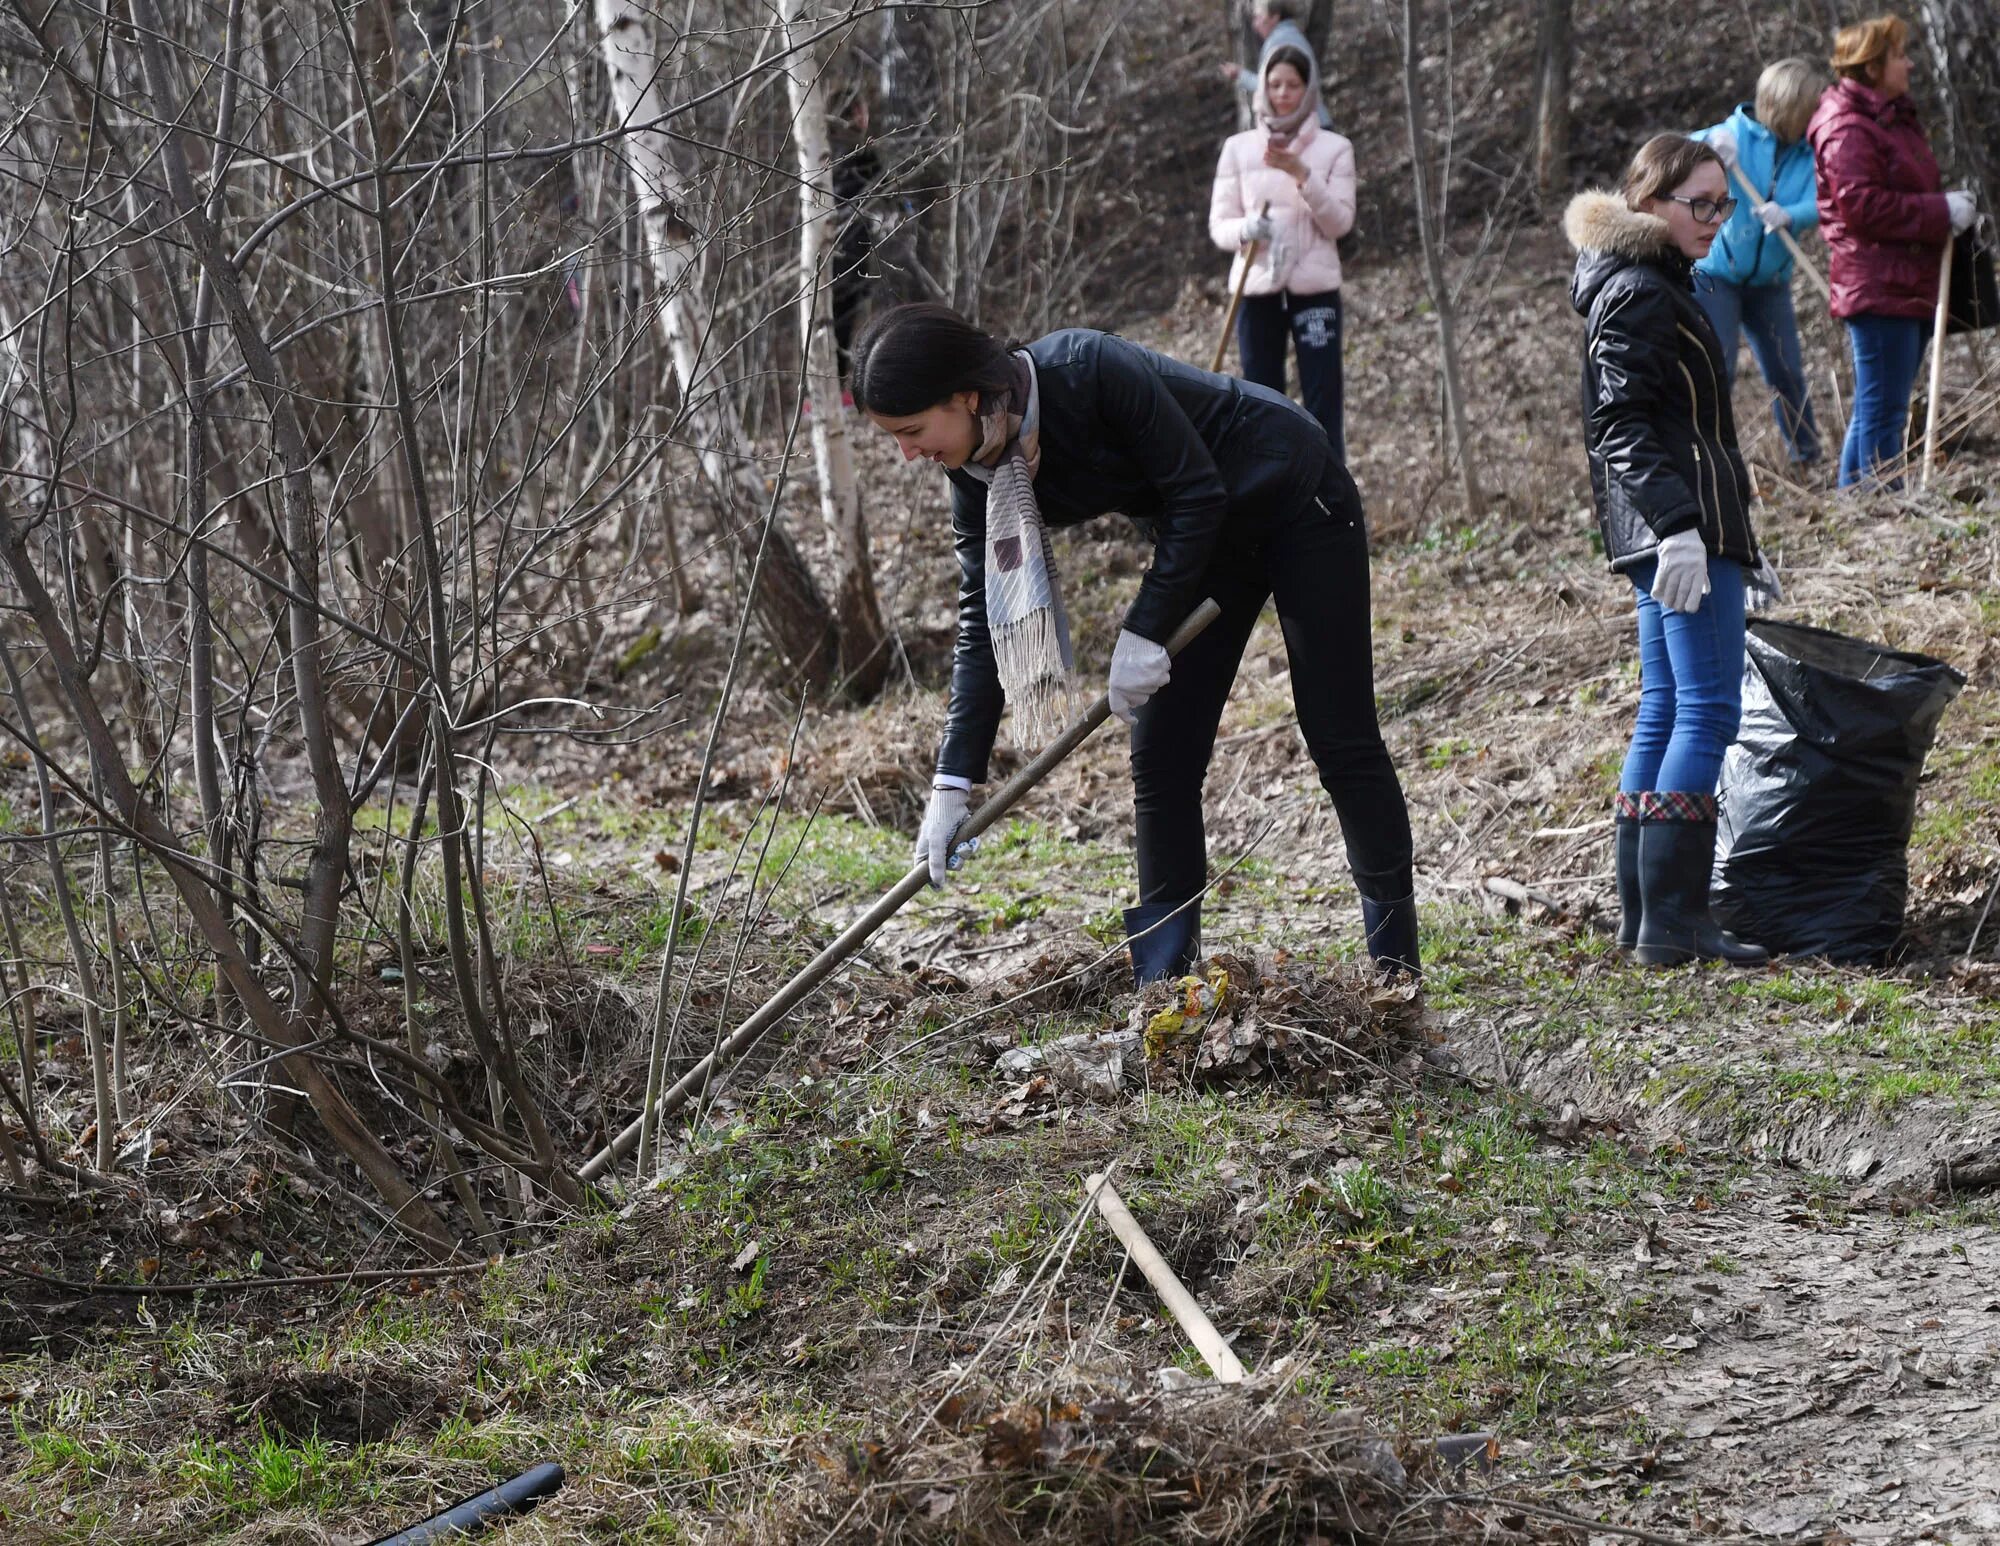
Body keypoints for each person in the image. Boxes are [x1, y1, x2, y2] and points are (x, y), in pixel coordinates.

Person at [848, 303, 1419, 982]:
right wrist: (953, 779)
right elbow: (984, 617)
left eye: (910, 431)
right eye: (893, 438)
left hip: (1296, 493)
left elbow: (1195, 492)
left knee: (1338, 734)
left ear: (966, 396)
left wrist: (1144, 630)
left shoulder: (1086, 369)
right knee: (1162, 753)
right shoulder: (976, 473)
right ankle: (1168, 992)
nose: (907, 454)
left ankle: (1396, 974)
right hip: (1207, 541)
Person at [1566, 135, 1777, 968]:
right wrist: (1682, 528)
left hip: (1676, 529)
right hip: (1677, 534)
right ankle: (1675, 920)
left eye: (1722, 203)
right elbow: (1618, 425)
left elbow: (1682, 426)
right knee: (1706, 710)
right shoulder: (1640, 292)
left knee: (1664, 706)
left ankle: (1644, 915)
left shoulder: (1645, 283)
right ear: (1649, 202)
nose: (1715, 220)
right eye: (1700, 203)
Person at [1807, 13, 1977, 489]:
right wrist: (1939, 212)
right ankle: (1880, 503)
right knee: (1884, 409)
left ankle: (1860, 500)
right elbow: (1861, 205)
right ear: (1873, 66)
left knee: (1879, 404)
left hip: (1903, 278)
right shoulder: (1846, 126)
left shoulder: (1890, 116)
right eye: (1899, 56)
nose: (1909, 65)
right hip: (1878, 283)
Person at [1207, 34, 1357, 456]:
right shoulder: (1238, 149)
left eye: (1292, 85)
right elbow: (1219, 224)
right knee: (1262, 404)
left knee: (1323, 402)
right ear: (1263, 89)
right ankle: (1274, 505)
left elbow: (1340, 222)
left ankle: (1330, 503)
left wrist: (1303, 176)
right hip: (1256, 290)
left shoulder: (1335, 149)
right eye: (1274, 85)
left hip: (1316, 291)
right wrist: (1245, 229)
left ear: (1308, 89)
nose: (1283, 94)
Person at [1692, 59, 1827, 468]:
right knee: (1719, 371)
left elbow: (1828, 198)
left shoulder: (1811, 151)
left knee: (1786, 372)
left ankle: (1807, 457)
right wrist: (1705, 145)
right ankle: (1708, 460)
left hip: (1771, 281)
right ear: (1789, 107)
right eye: (1812, 107)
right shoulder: (1732, 135)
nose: (1819, 115)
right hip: (1717, 277)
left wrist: (1791, 214)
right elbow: (1668, 154)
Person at [1216, 0, 1333, 130]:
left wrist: (1240, 75)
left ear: (1274, 17)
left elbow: (1269, 85)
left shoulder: (1279, 41)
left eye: (1259, 17)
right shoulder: (1291, 35)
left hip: (1306, 128)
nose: (1255, 25)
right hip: (1311, 123)